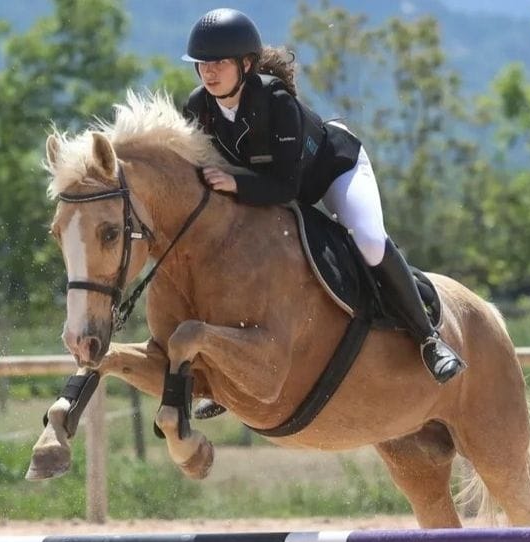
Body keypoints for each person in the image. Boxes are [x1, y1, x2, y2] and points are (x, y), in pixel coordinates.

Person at [180, 8, 465, 389]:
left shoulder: (275, 101)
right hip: (274, 191)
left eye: (219, 63)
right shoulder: (198, 109)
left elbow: (285, 187)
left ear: (247, 65)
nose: (209, 72)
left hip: (334, 171)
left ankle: (430, 339)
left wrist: (236, 185)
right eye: (202, 64)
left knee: (367, 240)